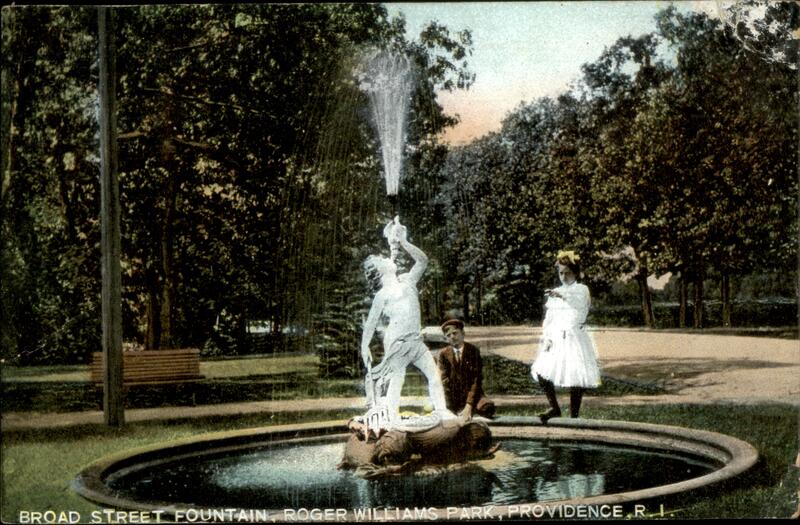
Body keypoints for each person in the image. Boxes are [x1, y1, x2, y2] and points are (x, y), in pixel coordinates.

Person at [360, 218, 451, 427]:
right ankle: (391, 418)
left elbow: (423, 261)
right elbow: (371, 324)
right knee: (396, 380)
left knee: (434, 376)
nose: (387, 258)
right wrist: (364, 346)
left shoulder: (408, 280)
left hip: (416, 341)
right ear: (379, 271)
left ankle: (442, 412)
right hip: (396, 342)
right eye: (382, 259)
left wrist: (404, 242)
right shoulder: (382, 295)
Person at [531, 250, 601, 423]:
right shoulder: (555, 292)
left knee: (575, 375)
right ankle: (554, 408)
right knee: (541, 371)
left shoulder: (581, 289)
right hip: (556, 338)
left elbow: (579, 304)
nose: (563, 276)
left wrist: (561, 295)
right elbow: (549, 318)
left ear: (575, 273)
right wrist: (546, 336)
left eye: (567, 273)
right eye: (560, 273)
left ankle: (574, 415)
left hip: (574, 337)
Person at [438, 319, 496, 420]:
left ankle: (470, 410)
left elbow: (476, 380)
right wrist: (452, 406)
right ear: (446, 339)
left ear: (463, 333)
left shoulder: (473, 351)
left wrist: (468, 405)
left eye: (455, 333)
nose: (452, 337)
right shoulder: (443, 354)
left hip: (472, 395)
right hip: (453, 396)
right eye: (448, 335)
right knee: (444, 414)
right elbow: (444, 381)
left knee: (488, 408)